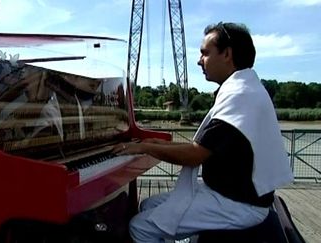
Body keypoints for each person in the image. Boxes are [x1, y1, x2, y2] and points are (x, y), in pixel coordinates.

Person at [112, 22, 294, 243]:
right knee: (148, 205)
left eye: (205, 53)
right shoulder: (243, 88)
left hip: (240, 205)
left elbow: (196, 154)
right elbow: (205, 146)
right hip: (229, 195)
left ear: (227, 54)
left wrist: (144, 147)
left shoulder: (241, 95)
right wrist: (153, 143)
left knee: (141, 228)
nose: (199, 61)